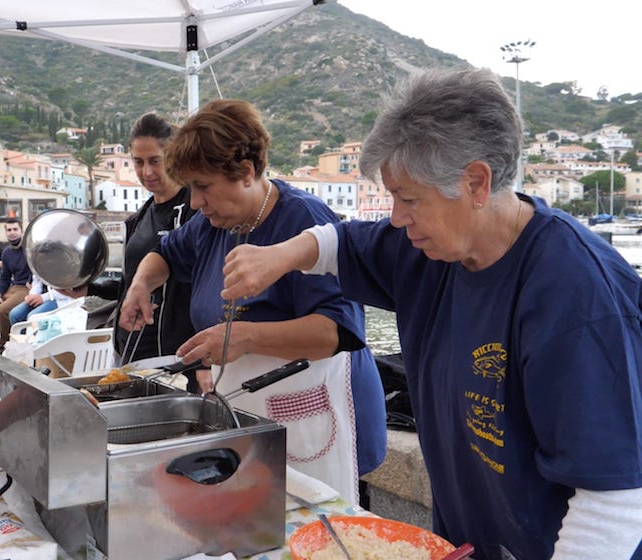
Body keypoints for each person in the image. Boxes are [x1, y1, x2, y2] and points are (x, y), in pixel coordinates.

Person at [221, 68, 642, 559]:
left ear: (477, 183)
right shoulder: (429, 247)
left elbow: (614, 500)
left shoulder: (575, 294)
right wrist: (280, 256)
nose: (397, 218)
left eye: (409, 198)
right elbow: (342, 241)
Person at [119, 100, 386, 503]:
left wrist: (241, 337)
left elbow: (337, 331)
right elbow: (168, 254)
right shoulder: (211, 224)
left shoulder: (305, 222)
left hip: (315, 416)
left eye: (203, 187)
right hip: (252, 410)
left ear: (246, 172)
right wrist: (141, 284)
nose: (194, 202)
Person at [87, 112, 201, 389]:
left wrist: (205, 363)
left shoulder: (196, 209)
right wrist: (90, 288)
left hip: (176, 362)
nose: (146, 172)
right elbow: (132, 286)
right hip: (128, 353)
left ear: (172, 156)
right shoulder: (140, 218)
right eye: (138, 162)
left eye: (155, 161)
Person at [0, 217, 32, 348]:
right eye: (9, 230)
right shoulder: (6, 252)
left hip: (27, 288)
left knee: (2, 310)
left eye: (15, 229)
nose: (12, 232)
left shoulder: (29, 249)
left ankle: (6, 345)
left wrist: (31, 281)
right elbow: (5, 276)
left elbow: (38, 269)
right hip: (13, 287)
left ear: (22, 231)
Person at [9, 273, 85, 326]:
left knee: (33, 317)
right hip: (42, 295)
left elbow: (72, 291)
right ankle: (23, 345)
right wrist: (32, 295)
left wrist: (43, 298)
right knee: (15, 314)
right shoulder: (40, 259)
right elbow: (37, 281)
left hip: (62, 299)